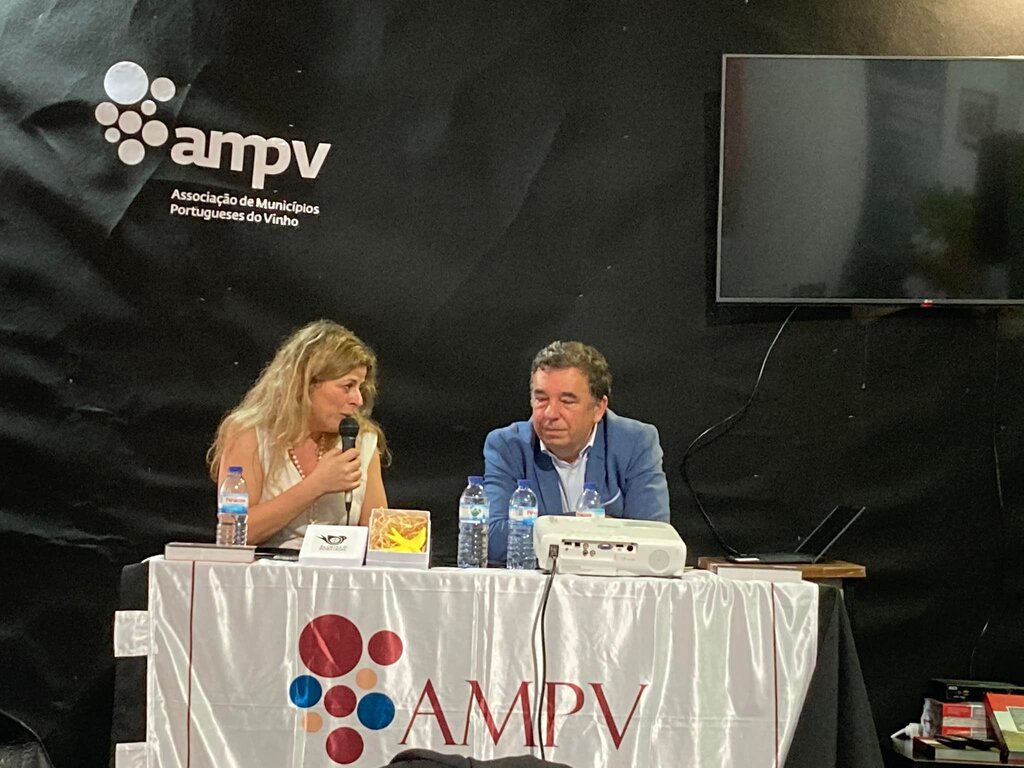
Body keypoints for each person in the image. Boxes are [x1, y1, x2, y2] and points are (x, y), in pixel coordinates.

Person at [483, 340, 670, 564]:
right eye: (541, 399)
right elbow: (491, 539)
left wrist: (546, 531)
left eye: (567, 401)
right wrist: (594, 526)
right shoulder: (507, 446)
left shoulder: (636, 442)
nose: (550, 413)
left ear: (599, 408)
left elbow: (653, 539)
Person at [207, 320, 388, 548]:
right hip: (266, 569)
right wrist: (316, 485)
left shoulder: (362, 441)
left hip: (337, 569)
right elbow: (235, 534)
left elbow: (379, 540)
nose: (358, 400)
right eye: (347, 386)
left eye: (360, 388)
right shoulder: (248, 433)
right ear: (306, 383)